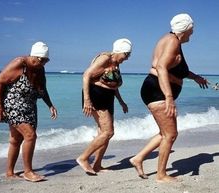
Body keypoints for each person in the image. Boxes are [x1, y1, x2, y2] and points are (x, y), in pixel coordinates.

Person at [129, 13, 209, 182]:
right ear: (186, 28)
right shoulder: (173, 42)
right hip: (157, 90)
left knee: (165, 133)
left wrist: (195, 77)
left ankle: (138, 159)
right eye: (192, 29)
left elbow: (177, 69)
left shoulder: (172, 41)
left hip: (154, 88)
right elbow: (161, 67)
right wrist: (169, 97)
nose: (193, 32)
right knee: (171, 135)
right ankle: (161, 175)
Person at [0, 42, 57, 182]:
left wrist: (50, 105)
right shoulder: (19, 63)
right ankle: (28, 172)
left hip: (29, 106)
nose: (43, 64)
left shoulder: (40, 68)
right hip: (12, 104)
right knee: (30, 135)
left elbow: (42, 89)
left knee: (16, 140)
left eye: (46, 61)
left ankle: (9, 172)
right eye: (41, 60)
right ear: (33, 56)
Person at [76, 38, 132, 175]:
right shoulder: (105, 58)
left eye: (128, 55)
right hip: (96, 95)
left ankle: (97, 165)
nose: (126, 58)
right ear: (119, 51)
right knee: (108, 132)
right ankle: (83, 158)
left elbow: (113, 85)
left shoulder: (116, 63)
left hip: (108, 97)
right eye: (126, 55)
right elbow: (86, 75)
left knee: (104, 133)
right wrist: (87, 100)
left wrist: (121, 101)